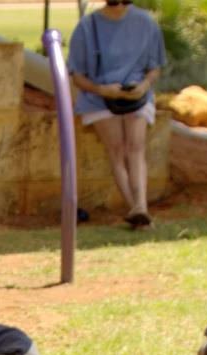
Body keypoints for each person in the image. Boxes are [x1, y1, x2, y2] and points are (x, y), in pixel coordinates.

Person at [67, 0, 164, 228]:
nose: (119, 5)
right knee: (118, 149)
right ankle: (137, 211)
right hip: (98, 98)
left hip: (136, 97)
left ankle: (140, 207)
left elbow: (154, 68)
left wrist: (143, 86)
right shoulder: (87, 27)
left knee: (136, 146)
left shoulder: (146, 23)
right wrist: (102, 89)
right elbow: (77, 75)